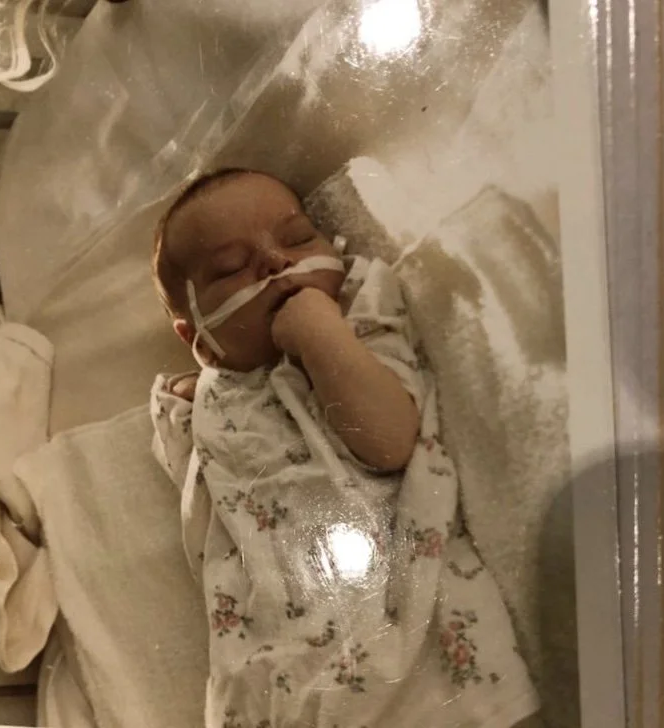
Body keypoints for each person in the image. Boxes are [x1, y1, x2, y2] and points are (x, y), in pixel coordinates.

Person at [149, 168, 539, 728]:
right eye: (233, 269)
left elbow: (389, 443)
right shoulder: (203, 400)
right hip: (275, 669)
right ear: (197, 342)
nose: (277, 263)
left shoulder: (356, 311)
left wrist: (317, 333)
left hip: (409, 637)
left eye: (299, 238)